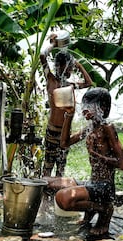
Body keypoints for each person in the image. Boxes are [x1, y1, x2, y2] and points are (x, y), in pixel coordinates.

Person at [45, 88, 123, 236]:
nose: (84, 110)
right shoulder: (90, 128)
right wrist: (69, 114)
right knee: (45, 182)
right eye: (84, 106)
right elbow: (64, 143)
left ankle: (104, 210)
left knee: (62, 198)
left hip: (104, 187)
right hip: (92, 183)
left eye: (89, 106)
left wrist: (99, 156)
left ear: (102, 108)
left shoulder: (108, 128)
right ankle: (92, 210)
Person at [40, 33, 93, 177]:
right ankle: (45, 195)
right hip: (52, 131)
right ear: (60, 66)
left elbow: (88, 83)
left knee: (61, 168)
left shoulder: (70, 85)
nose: (70, 70)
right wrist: (52, 44)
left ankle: (56, 197)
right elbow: (42, 56)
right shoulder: (51, 80)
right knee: (48, 166)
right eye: (69, 67)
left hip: (65, 132)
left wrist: (79, 64)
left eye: (71, 67)